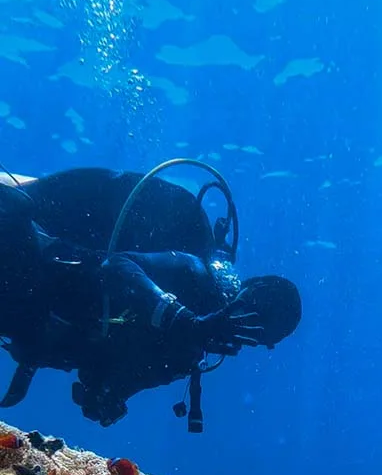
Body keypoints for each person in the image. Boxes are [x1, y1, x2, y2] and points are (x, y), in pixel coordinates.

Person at [0, 165, 302, 431]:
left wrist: (106, 398)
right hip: (29, 268)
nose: (243, 330)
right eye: (253, 314)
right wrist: (184, 320)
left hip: (29, 315)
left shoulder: (187, 356)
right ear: (248, 288)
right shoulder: (194, 274)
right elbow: (116, 265)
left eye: (258, 335)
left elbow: (113, 377)